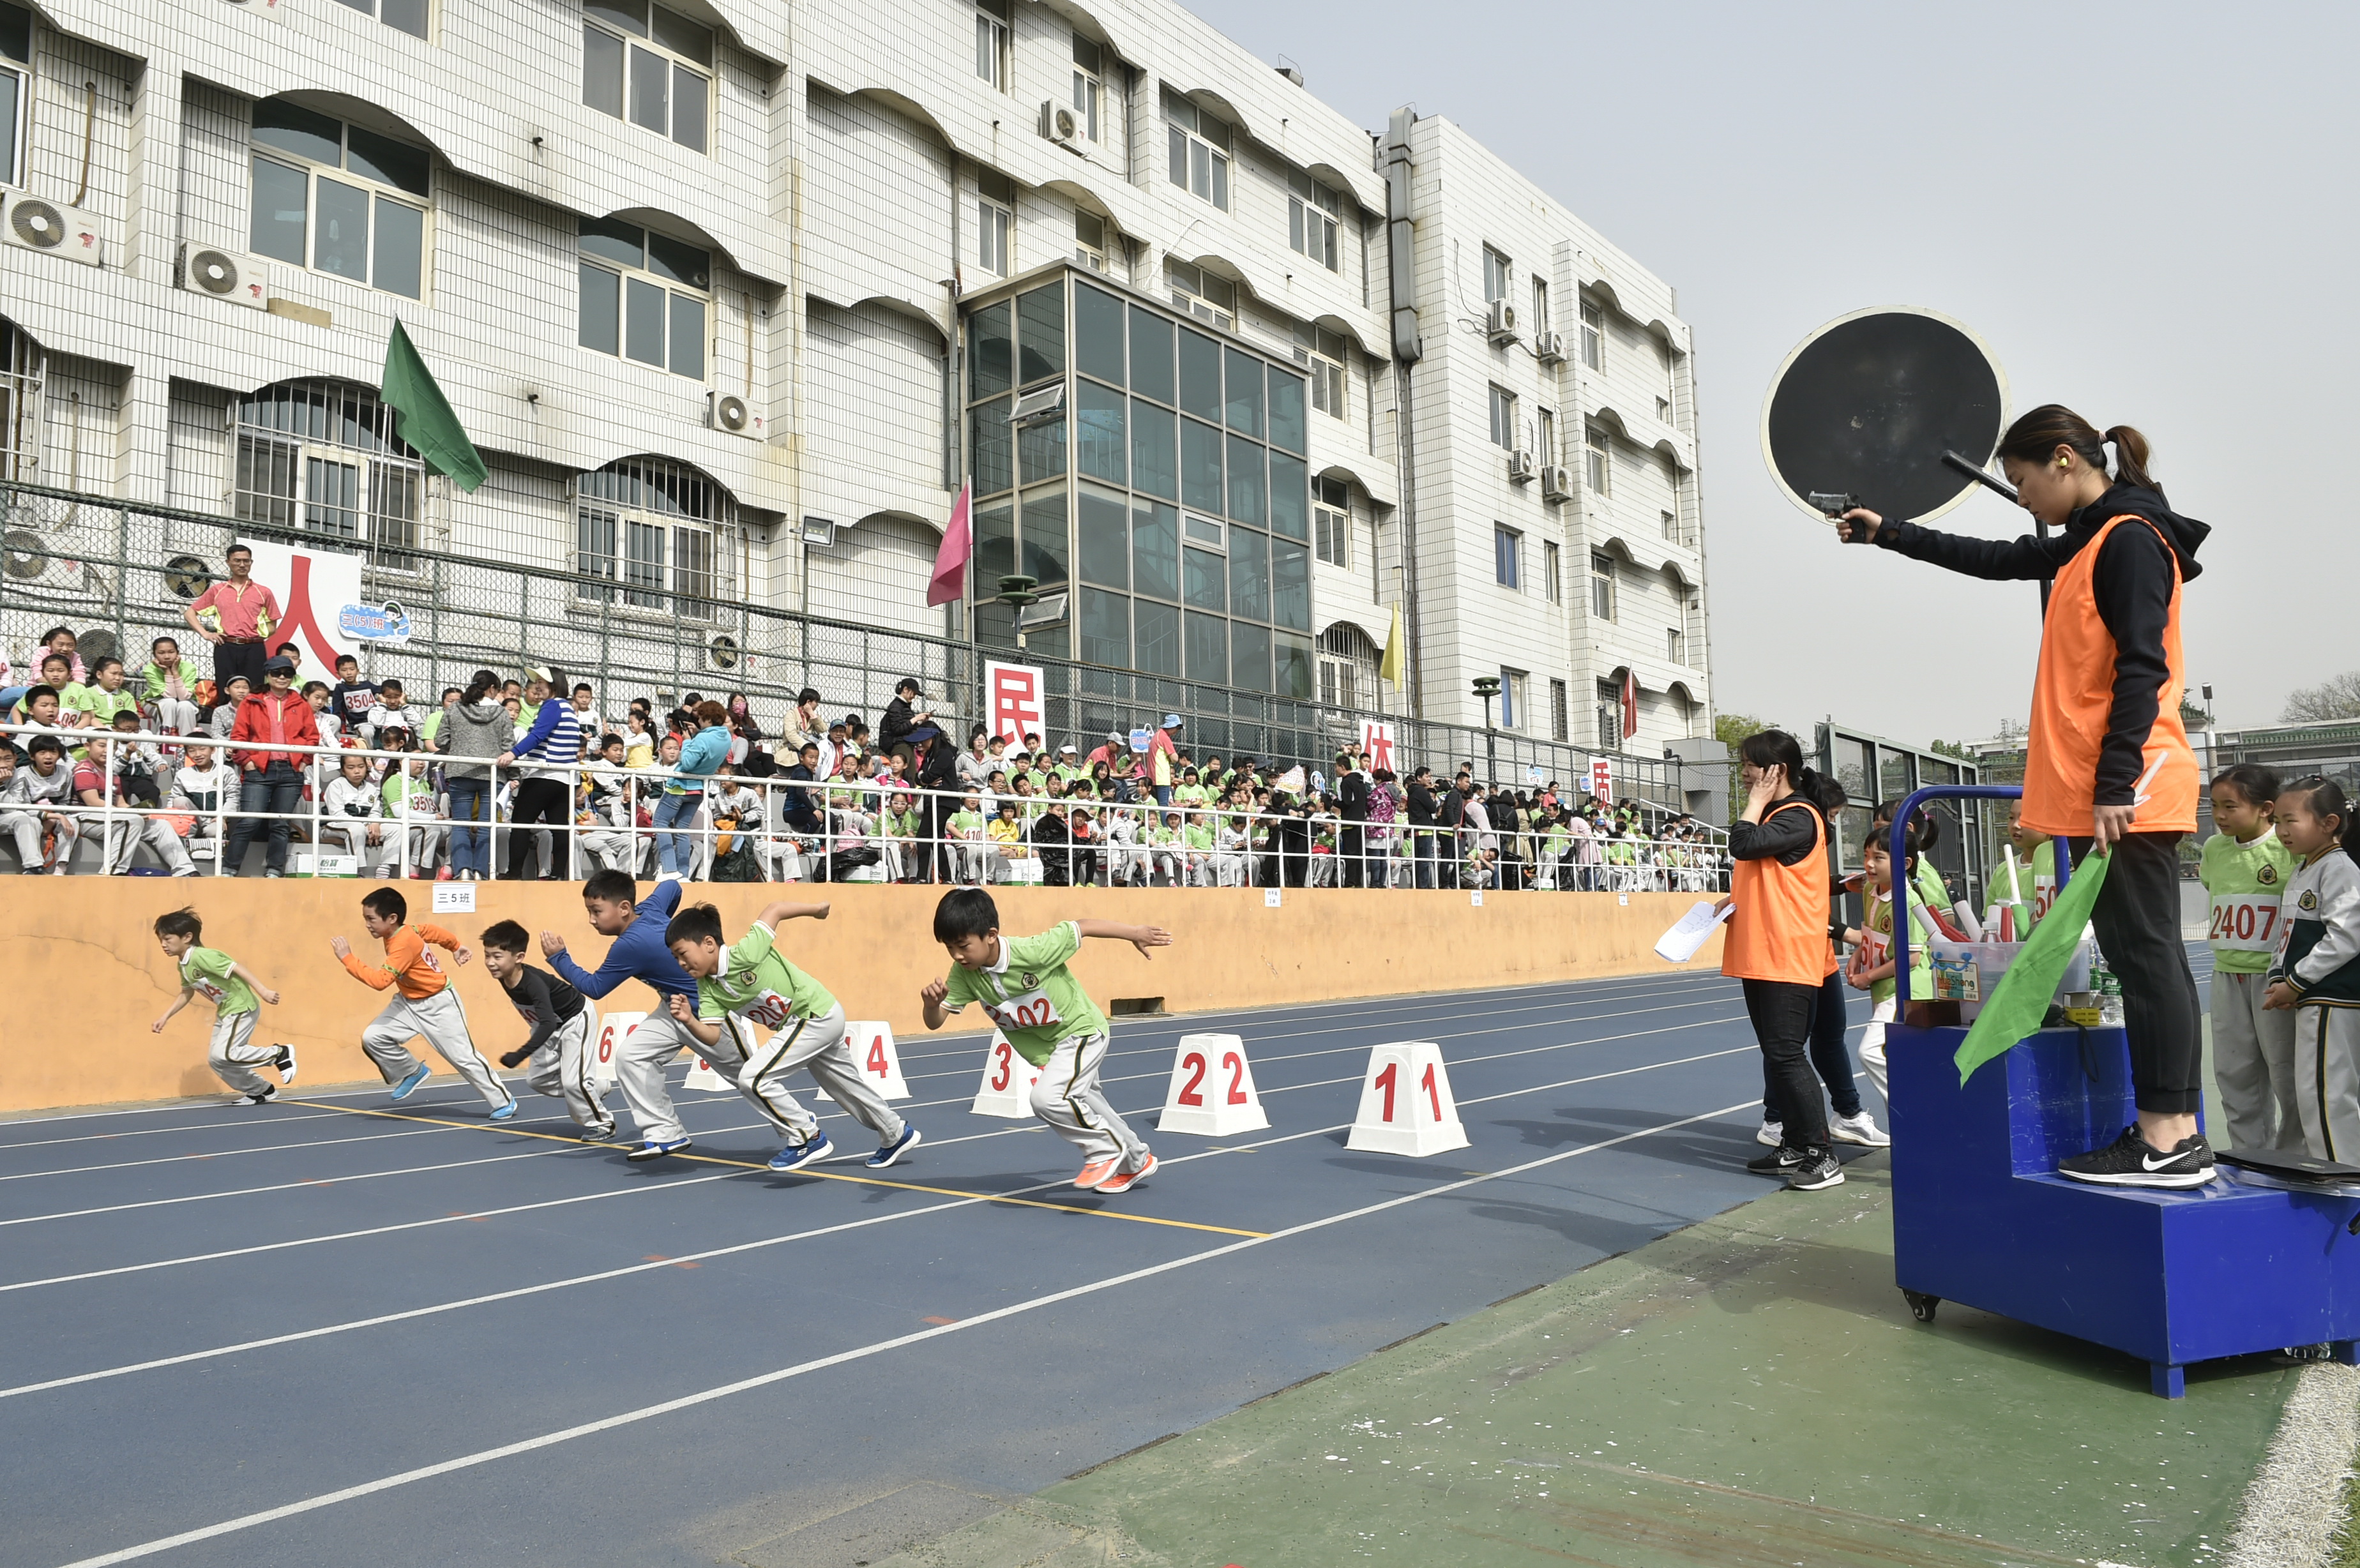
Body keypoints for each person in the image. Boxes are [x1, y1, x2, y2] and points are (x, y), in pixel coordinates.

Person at [1834, 405, 2211, 1186]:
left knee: (2149, 958)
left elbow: (2142, 667)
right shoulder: (2093, 538)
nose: (2024, 496)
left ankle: (2169, 1137)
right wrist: (1890, 532)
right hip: (2110, 785)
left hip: (2130, 783)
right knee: (2144, 957)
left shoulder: (2130, 539)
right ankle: (2169, 1133)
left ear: (2065, 459)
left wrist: (2115, 782)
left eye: (2023, 479)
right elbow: (1996, 558)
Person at [921, 888, 1169, 1192]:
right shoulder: (964, 974)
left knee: (1045, 1099)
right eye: (949, 948)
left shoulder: (1034, 951)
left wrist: (1135, 933)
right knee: (1090, 1105)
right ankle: (1137, 1160)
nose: (957, 955)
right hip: (1052, 1052)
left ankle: (1103, 1149)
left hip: (1081, 1031)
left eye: (963, 946)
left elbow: (1083, 926)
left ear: (991, 935)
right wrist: (931, 1006)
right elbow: (935, 1022)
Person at [665, 898, 923, 1172]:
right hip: (813, 1022)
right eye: (675, 958)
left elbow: (774, 910)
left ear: (708, 943)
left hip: (813, 1014)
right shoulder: (708, 988)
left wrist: (818, 910)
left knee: (753, 1078)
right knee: (844, 1086)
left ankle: (807, 1136)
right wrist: (689, 1020)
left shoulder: (746, 952)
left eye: (683, 953)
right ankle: (895, 1132)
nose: (681, 963)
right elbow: (713, 1036)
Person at [1719, 729, 1845, 1192]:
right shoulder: (1780, 817)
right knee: (1777, 1054)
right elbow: (1765, 875)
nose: (1744, 773)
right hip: (1763, 953)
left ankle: (1822, 1154)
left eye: (1750, 766)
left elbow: (1742, 843)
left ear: (1777, 771)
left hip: (1787, 954)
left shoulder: (1798, 816)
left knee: (1788, 1054)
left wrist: (1755, 801)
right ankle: (1794, 1144)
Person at [541, 870, 711, 1160]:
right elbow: (672, 886)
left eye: (597, 911)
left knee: (750, 1078)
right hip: (673, 1008)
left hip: (708, 1010)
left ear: (623, 908)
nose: (591, 919)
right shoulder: (651, 908)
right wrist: (668, 931)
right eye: (589, 911)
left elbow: (595, 988)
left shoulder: (630, 945)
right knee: (632, 1056)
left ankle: (797, 1132)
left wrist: (559, 957)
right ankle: (666, 1134)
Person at [331, 885, 516, 1117]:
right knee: (374, 1037)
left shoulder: (403, 943)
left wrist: (347, 958)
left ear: (392, 918)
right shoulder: (405, 931)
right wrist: (455, 946)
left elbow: (380, 981)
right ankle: (412, 1071)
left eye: (371, 919)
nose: (367, 924)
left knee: (463, 1058)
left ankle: (504, 1102)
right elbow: (432, 931)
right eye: (365, 919)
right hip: (408, 1002)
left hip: (438, 1005)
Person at [2200, 764, 2301, 1152]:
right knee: (2235, 1073)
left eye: (2230, 806)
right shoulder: (2214, 849)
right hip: (2227, 977)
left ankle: (2295, 1158)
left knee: (2286, 1072)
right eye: (2214, 806)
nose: (2220, 815)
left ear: (2265, 809)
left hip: (2275, 981)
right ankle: (2251, 1155)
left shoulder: (2287, 849)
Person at [2264, 777, 2360, 1164]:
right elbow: (2285, 935)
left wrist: (2297, 982)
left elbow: (2346, 936)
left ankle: (2344, 1179)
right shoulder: (2304, 869)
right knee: (2314, 1092)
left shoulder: (2339, 869)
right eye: (2278, 822)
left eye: (2291, 820)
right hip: (2312, 997)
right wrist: (2279, 977)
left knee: (2327, 1094)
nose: (2282, 831)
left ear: (2328, 823)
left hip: (2332, 999)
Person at [479, 919, 616, 1140]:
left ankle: (603, 1123)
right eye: (487, 956)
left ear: (519, 958)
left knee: (573, 1082)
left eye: (497, 956)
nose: (490, 963)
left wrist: (520, 1054)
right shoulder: (504, 976)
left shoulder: (533, 983)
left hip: (575, 1020)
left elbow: (548, 1023)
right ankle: (594, 1088)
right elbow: (545, 1023)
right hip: (549, 1026)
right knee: (538, 1081)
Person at [150, 908, 292, 1104]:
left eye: (168, 939)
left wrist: (263, 991)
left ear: (187, 937)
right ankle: (260, 1090)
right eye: (161, 940)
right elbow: (186, 993)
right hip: (226, 1010)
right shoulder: (183, 964)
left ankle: (278, 1054)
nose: (163, 945)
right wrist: (164, 1017)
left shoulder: (201, 956)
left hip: (241, 1005)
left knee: (226, 1053)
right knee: (217, 1060)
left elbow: (236, 967)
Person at [1843, 825, 1939, 1110]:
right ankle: (1904, 1122)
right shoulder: (1870, 890)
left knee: (1871, 1052)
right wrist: (1858, 956)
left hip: (1905, 991)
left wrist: (1868, 976)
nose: (1869, 864)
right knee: (1893, 1057)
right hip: (1884, 990)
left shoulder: (1908, 901)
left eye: (1879, 858)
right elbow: (1871, 931)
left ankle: (1915, 1106)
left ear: (1905, 863)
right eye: (1866, 856)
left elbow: (1912, 958)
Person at [223, 654, 318, 878]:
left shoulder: (301, 705)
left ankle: (275, 869)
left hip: (290, 771)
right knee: (249, 820)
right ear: (267, 675)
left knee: (280, 824)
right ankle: (229, 868)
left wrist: (303, 762)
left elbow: (312, 737)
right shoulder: (251, 701)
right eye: (277, 673)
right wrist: (247, 762)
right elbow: (238, 736)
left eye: (287, 673)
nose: (282, 677)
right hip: (259, 770)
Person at [501, 668, 582, 880]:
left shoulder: (553, 705)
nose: (537, 686)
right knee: (559, 825)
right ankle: (558, 874)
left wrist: (512, 753)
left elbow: (537, 735)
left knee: (521, 822)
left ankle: (514, 873)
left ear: (553, 685)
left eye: (541, 682)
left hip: (544, 773)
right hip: (565, 777)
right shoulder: (568, 707)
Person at [438, 670, 515, 882]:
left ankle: (462, 870)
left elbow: (440, 740)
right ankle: (481, 871)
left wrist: (460, 748)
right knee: (487, 826)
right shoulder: (501, 713)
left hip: (460, 772)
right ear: (492, 689)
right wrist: (514, 774)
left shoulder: (455, 708)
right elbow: (508, 746)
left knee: (460, 824)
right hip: (493, 774)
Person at [185, 543, 282, 691]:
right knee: (225, 689)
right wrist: (206, 634)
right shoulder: (218, 590)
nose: (242, 565)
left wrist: (256, 637)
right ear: (228, 562)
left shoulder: (264, 592)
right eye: (237, 561)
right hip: (225, 646)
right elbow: (189, 613)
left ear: (251, 563)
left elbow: (272, 624)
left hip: (254, 647)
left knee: (254, 691)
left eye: (246, 561)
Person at [656, 700, 730, 880]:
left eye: (701, 718)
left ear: (708, 719)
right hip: (699, 790)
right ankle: (683, 873)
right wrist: (698, 734)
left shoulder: (702, 739)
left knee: (660, 822)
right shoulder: (726, 738)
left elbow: (688, 763)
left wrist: (688, 741)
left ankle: (669, 869)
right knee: (682, 829)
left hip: (681, 787)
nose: (699, 721)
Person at [139, 637, 202, 736]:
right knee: (169, 702)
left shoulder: (189, 668)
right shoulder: (149, 670)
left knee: (185, 706)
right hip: (155, 700)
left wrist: (175, 671)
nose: (167, 657)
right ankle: (164, 740)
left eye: (171, 652)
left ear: (178, 653)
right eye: (161, 653)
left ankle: (187, 742)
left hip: (186, 700)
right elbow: (170, 696)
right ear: (154, 655)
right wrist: (167, 671)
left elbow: (184, 697)